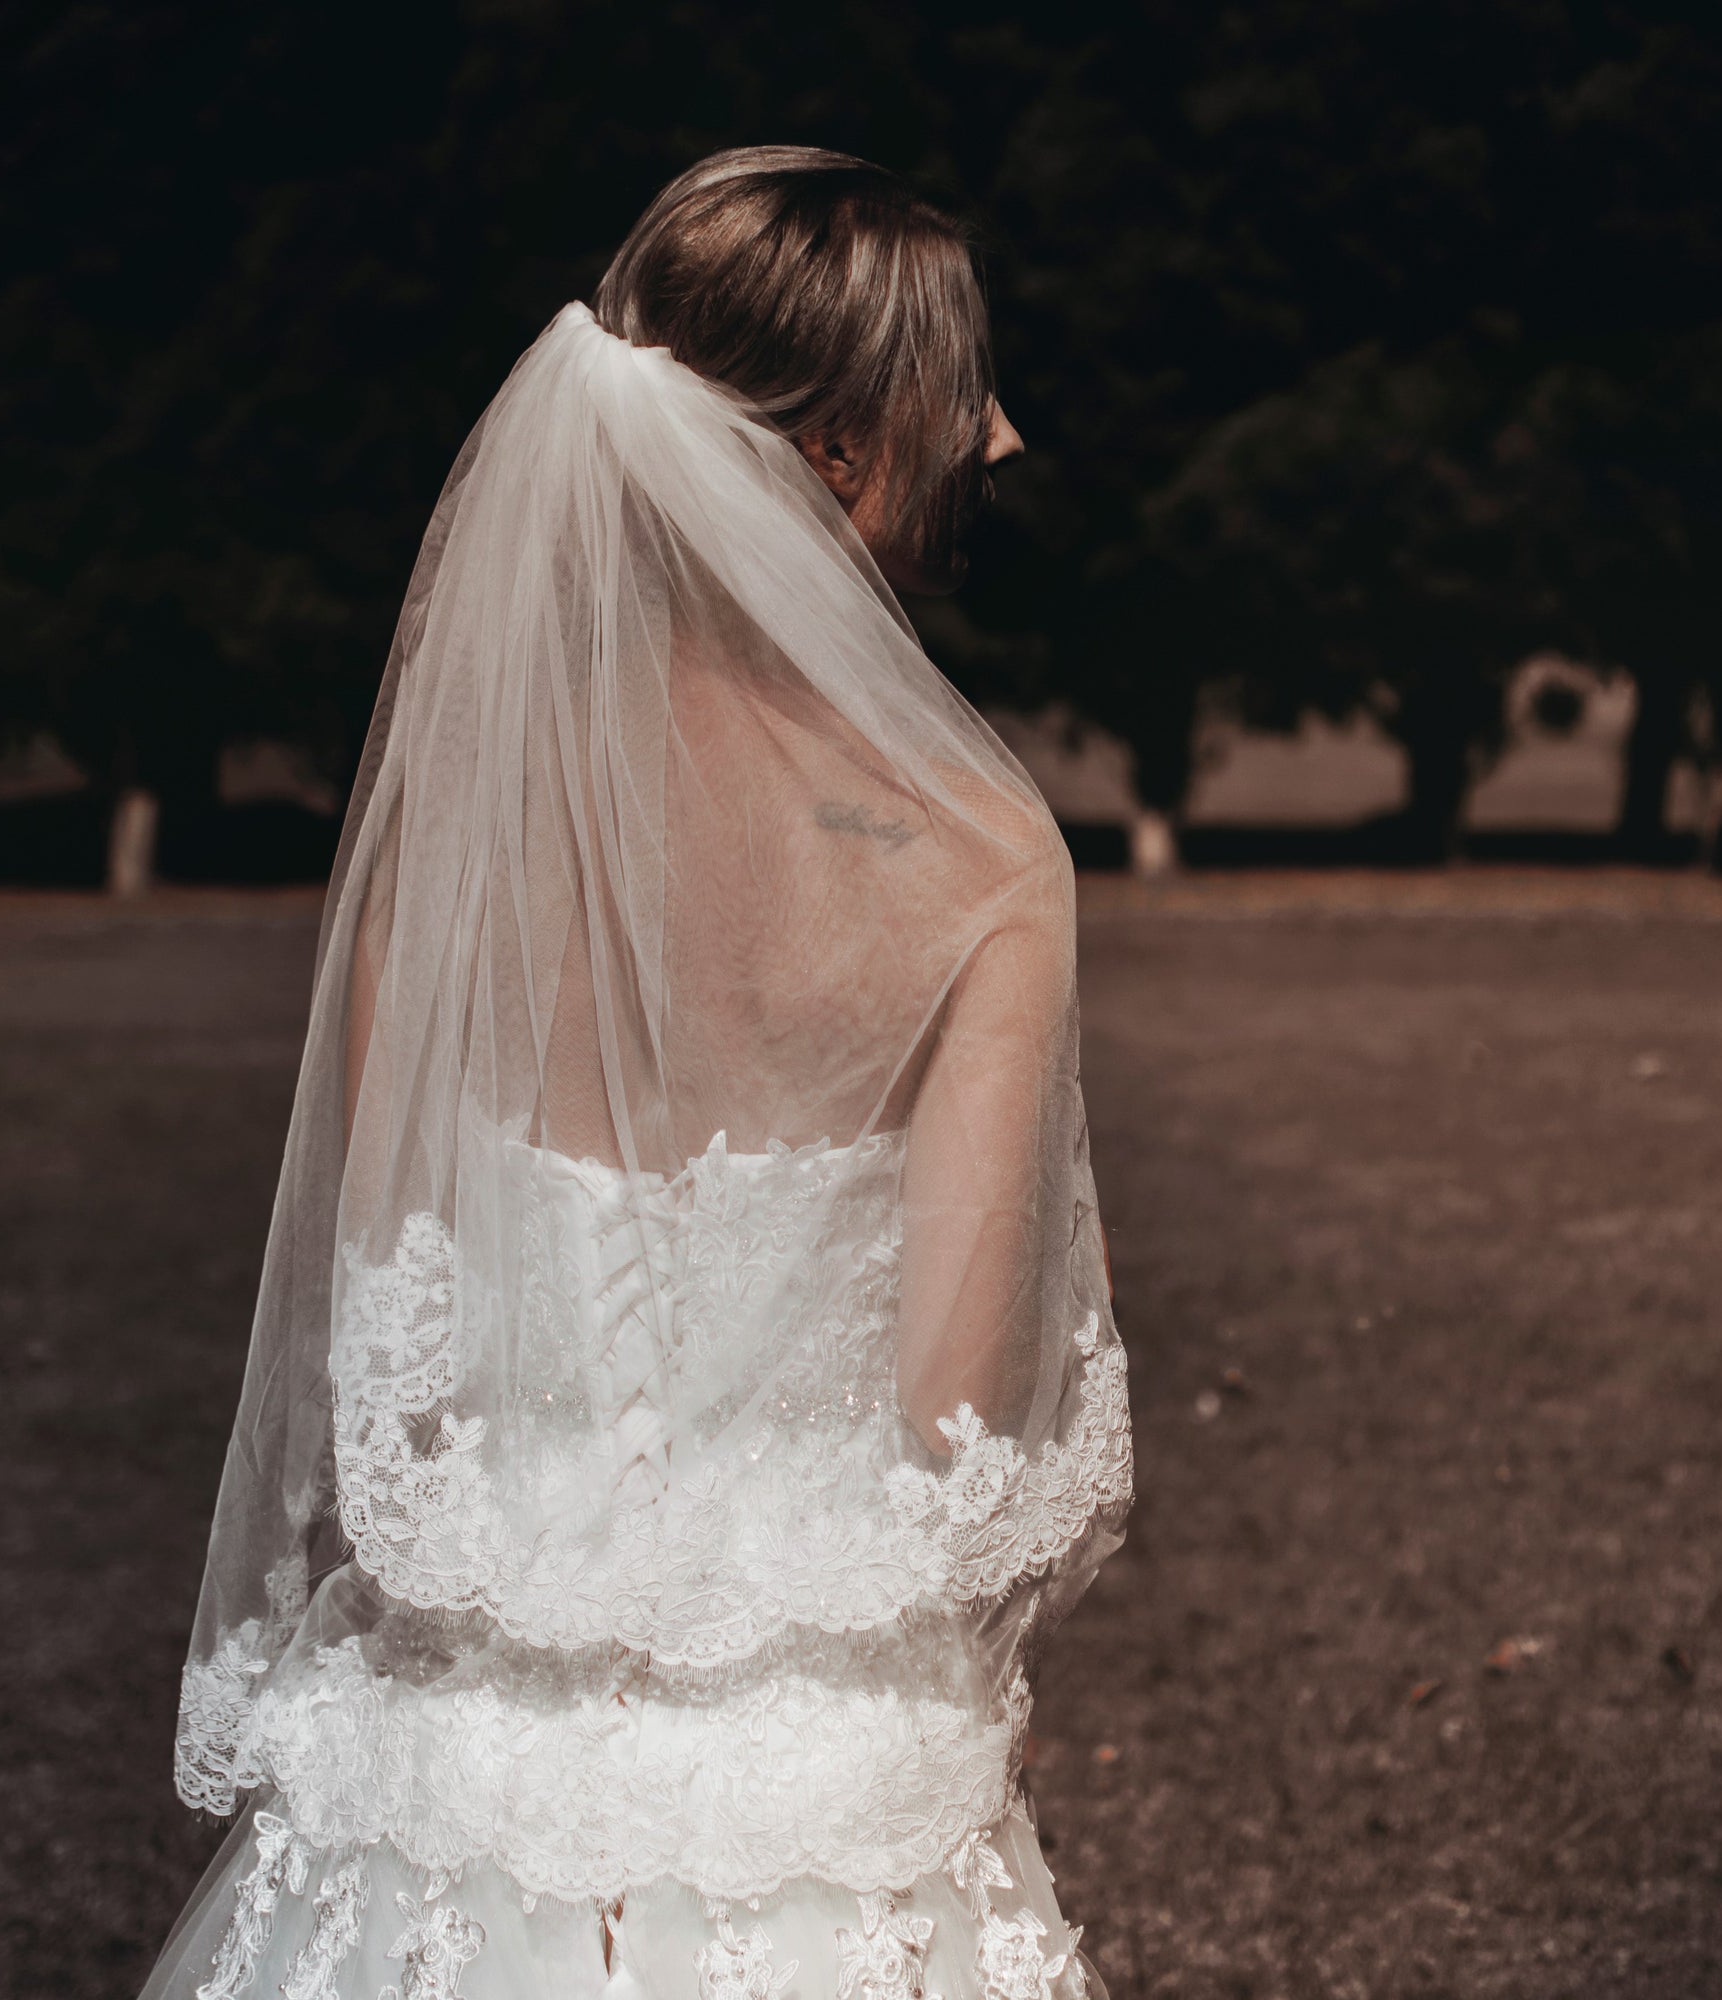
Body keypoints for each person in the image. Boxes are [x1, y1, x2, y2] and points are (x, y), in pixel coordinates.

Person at [141, 146, 1131, 2000]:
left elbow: (392, 1352)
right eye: (956, 389)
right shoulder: (983, 865)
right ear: (839, 458)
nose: (998, 437)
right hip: (811, 1806)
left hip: (447, 1785)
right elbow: (954, 1437)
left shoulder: (452, 850)